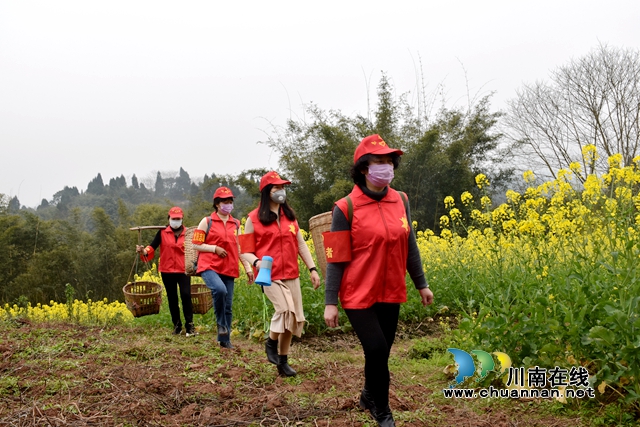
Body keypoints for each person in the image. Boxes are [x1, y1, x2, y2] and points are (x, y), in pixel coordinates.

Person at [323, 134, 434, 427]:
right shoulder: (345, 207)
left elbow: (409, 245)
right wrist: (330, 302)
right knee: (375, 349)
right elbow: (335, 258)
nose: (385, 167)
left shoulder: (401, 200)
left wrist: (421, 284)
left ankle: (368, 395)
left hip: (391, 290)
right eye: (378, 161)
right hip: (358, 293)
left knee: (381, 352)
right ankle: (382, 410)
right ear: (363, 168)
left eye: (389, 161)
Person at [240, 171, 321, 376]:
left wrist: (312, 268)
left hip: (291, 273)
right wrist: (257, 262)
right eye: (276, 188)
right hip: (269, 275)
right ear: (267, 192)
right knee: (284, 310)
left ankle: (283, 362)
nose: (280, 191)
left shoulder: (290, 217)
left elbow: (300, 244)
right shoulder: (253, 219)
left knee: (292, 320)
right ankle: (270, 343)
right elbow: (245, 251)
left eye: (282, 187)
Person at [192, 186, 254, 349]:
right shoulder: (207, 222)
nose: (228, 204)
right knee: (220, 290)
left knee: (227, 304)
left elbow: (240, 248)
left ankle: (225, 340)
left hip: (229, 266)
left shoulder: (236, 223)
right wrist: (214, 248)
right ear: (217, 204)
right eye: (224, 201)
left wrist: (247, 268)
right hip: (209, 265)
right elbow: (196, 244)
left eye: (230, 201)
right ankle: (221, 325)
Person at [137, 206, 196, 336]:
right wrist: (143, 251)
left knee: (186, 295)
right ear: (169, 219)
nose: (176, 220)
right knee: (172, 298)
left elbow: (195, 249)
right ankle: (177, 326)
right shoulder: (162, 233)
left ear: (182, 219)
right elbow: (151, 247)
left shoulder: (188, 233)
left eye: (178, 218)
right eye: (173, 218)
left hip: (183, 270)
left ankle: (190, 326)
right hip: (167, 270)